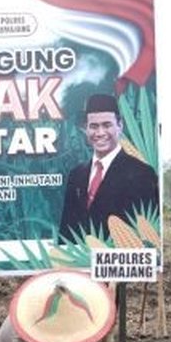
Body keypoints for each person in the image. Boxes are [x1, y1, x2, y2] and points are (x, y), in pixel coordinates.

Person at [57, 93, 159, 242]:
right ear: (86, 129)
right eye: (94, 126)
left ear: (120, 125)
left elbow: (149, 230)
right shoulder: (76, 175)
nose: (100, 133)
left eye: (107, 125)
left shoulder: (142, 173)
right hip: (81, 256)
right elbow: (66, 233)